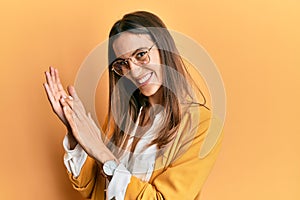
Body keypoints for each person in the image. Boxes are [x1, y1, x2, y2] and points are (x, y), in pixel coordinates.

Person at [44, 11, 222, 200]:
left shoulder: (202, 125)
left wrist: (103, 153)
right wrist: (75, 132)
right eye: (123, 64)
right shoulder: (120, 120)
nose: (134, 71)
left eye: (141, 55)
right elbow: (94, 189)